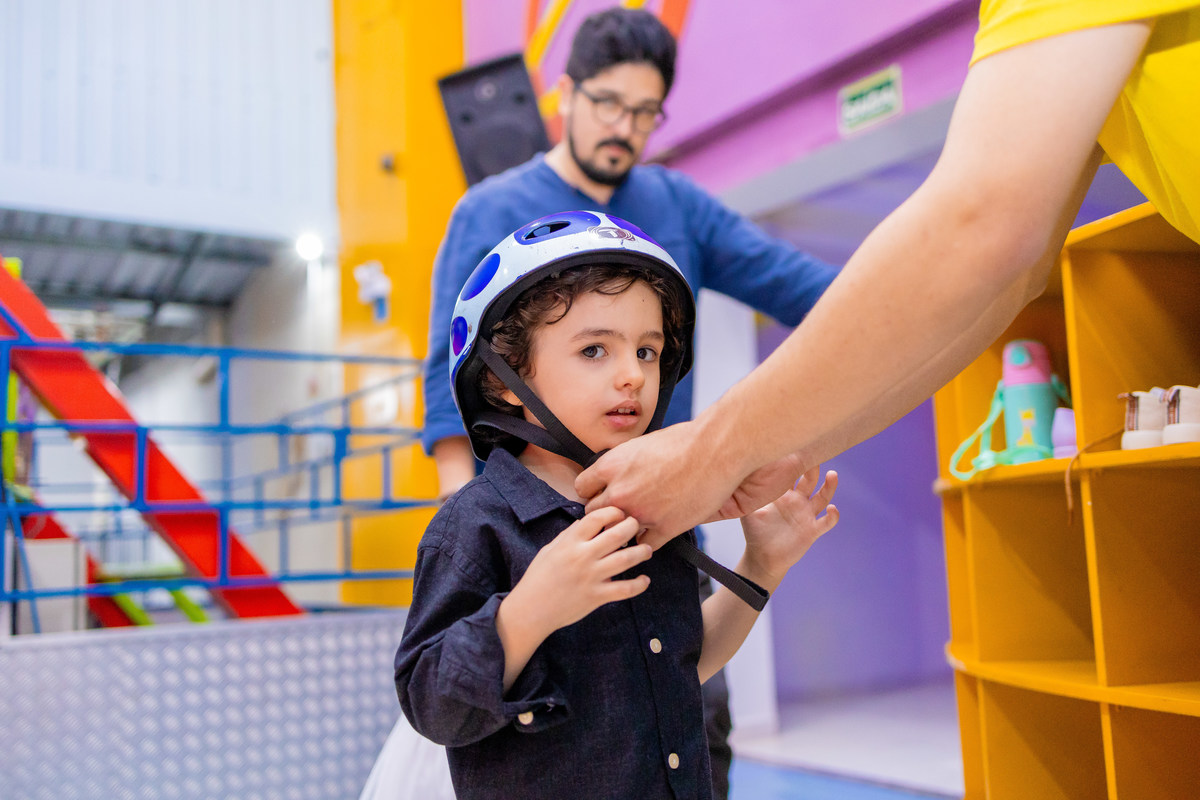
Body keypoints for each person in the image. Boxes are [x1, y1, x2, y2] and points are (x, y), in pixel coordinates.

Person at [575, 2, 1200, 544]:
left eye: (645, 112)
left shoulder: (675, 202)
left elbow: (981, 235)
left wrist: (709, 450)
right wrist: (791, 447)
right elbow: (1013, 274)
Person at [421, 10, 839, 790]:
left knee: (689, 718)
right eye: (610, 104)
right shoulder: (490, 210)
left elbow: (807, 292)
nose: (626, 127)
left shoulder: (679, 205)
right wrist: (495, 566)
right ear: (565, 94)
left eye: (646, 113)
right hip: (533, 531)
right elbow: (450, 401)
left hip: (663, 521)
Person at [396, 212, 838, 800]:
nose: (632, 375)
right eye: (596, 350)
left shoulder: (655, 510)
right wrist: (531, 609)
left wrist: (761, 569)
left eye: (648, 352)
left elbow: (681, 669)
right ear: (504, 381)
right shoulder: (476, 526)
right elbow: (433, 705)